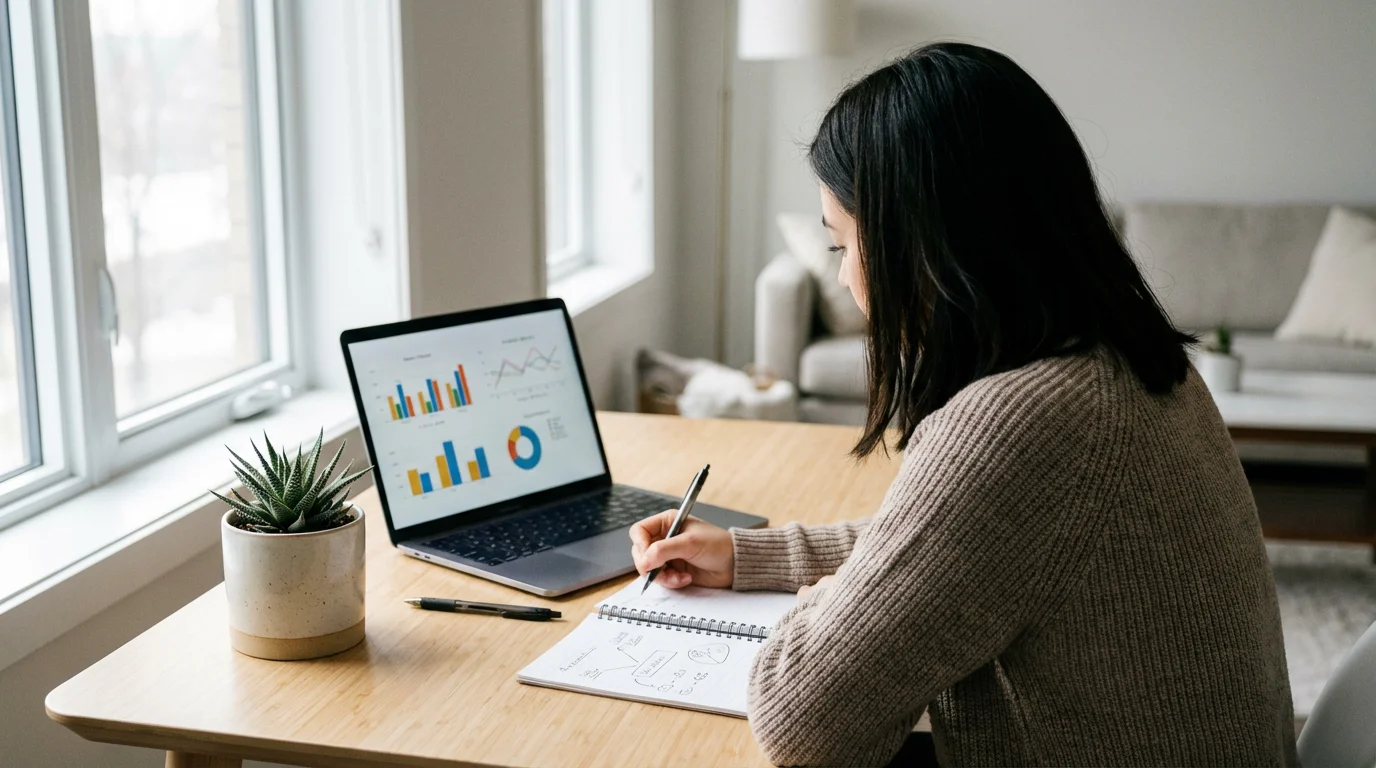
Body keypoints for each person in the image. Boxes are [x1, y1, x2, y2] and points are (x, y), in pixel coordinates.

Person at [630, 42, 1296, 767]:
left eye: (844, 245)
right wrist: (746, 556)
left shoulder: (1023, 422)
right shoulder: (1124, 358)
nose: (850, 278)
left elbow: (803, 721)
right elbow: (955, 546)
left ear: (926, 243)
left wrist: (826, 603)